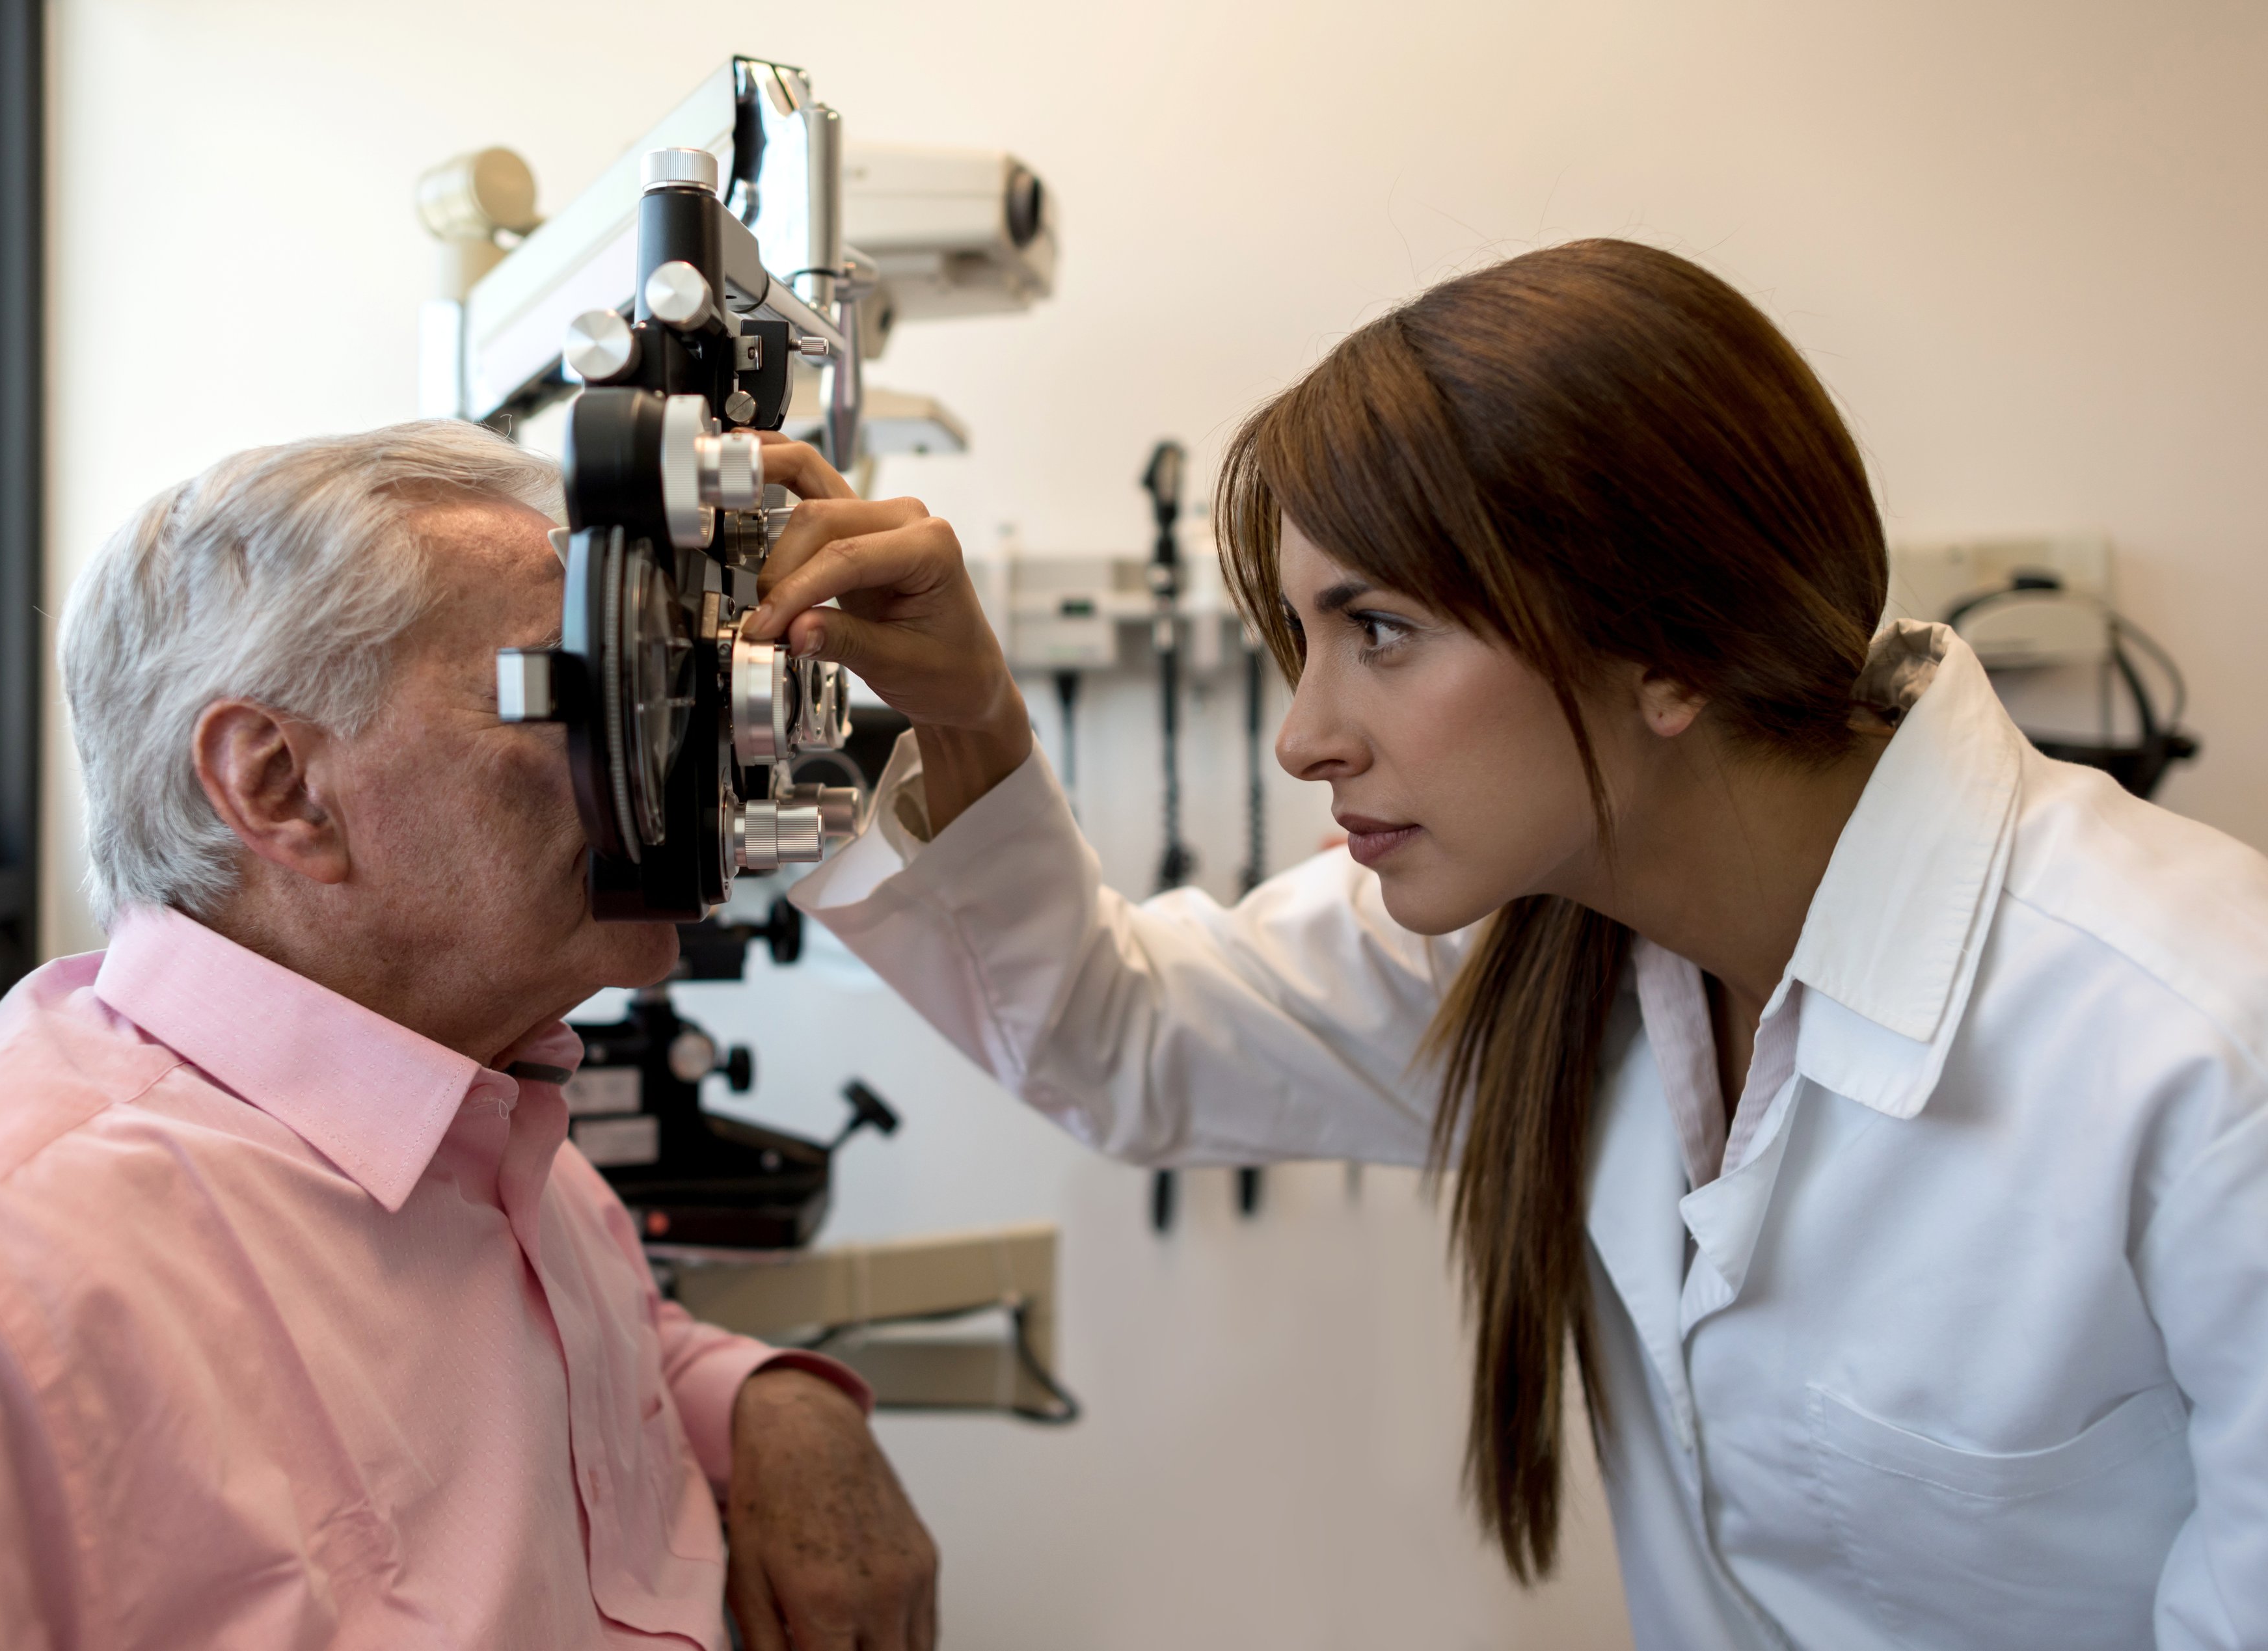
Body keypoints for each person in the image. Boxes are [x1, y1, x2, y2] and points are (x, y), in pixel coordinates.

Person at [740, 239, 2268, 1650]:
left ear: (1666, 646)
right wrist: (969, 714)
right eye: (1307, 643)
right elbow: (1118, 1039)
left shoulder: (2196, 1047)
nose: (1303, 738)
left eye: (1381, 632)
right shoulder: (1550, 937)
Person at [0, 425, 937, 1651]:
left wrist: (776, 1402)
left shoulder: (480, 1103)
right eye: (575, 688)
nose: (666, 752)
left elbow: (584, 1355)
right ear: (277, 785)